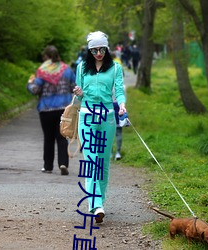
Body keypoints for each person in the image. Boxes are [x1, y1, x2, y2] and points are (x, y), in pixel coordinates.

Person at [73, 31, 126, 223]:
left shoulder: (115, 68)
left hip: (108, 118)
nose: (98, 53)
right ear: (89, 50)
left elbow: (119, 90)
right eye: (94, 50)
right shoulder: (81, 68)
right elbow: (79, 97)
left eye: (102, 49)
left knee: (103, 162)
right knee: (92, 160)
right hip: (86, 116)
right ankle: (96, 203)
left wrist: (121, 104)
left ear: (107, 48)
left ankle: (98, 203)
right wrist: (78, 92)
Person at [27, 45, 76, 175]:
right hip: (63, 109)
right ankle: (63, 163)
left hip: (46, 109)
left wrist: (30, 83)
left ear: (46, 57)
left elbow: (35, 90)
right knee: (62, 137)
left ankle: (48, 166)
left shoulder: (42, 71)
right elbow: (74, 87)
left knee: (48, 138)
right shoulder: (67, 70)